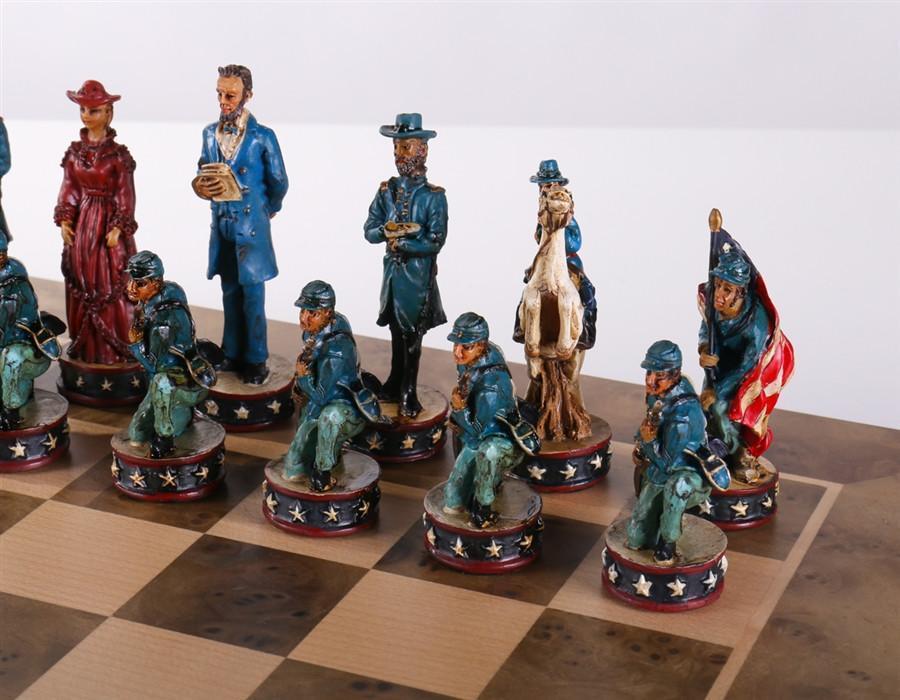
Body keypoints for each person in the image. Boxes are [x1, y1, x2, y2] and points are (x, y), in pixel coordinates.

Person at [194, 64, 289, 385]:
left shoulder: (263, 137)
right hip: (222, 225)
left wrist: (266, 210)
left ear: (247, 95)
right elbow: (202, 169)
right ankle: (232, 351)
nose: (223, 101)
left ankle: (256, 358)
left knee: (253, 296)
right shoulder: (209, 133)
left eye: (230, 95)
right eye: (220, 94)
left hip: (251, 228)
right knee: (229, 291)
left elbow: (279, 181)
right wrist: (203, 186)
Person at [364, 113, 448, 418]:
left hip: (417, 280)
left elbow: (436, 240)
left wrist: (405, 245)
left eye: (406, 147)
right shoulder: (386, 191)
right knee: (395, 331)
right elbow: (369, 230)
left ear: (422, 150)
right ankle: (394, 381)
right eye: (397, 148)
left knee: (412, 336)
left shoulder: (433, 197)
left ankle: (408, 391)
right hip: (393, 277)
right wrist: (385, 231)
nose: (400, 155)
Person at [54, 80, 138, 365]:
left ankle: (113, 348)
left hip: (106, 227)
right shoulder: (74, 153)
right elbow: (69, 188)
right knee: (82, 278)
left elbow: (125, 193)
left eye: (94, 110)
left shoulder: (118, 156)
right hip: (83, 226)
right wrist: (65, 219)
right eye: (83, 110)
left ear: (108, 113)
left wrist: (118, 227)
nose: (87, 116)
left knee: (110, 279)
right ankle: (85, 346)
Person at [698, 251, 793, 482]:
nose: (719, 294)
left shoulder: (756, 323)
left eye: (727, 289)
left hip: (751, 372)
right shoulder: (713, 304)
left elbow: (749, 365)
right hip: (721, 365)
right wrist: (704, 349)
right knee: (705, 408)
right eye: (718, 285)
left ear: (740, 292)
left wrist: (718, 392)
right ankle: (712, 446)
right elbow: (706, 328)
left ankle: (739, 453)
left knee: (723, 409)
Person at [284, 280, 381, 492]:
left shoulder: (337, 349)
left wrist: (303, 378)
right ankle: (314, 460)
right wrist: (300, 383)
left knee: (330, 417)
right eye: (303, 311)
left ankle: (323, 472)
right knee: (294, 462)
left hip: (344, 407)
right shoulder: (316, 330)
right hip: (321, 399)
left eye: (312, 313)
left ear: (328, 313)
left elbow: (321, 396)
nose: (304, 318)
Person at [444, 313, 536, 528]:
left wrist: (459, 409)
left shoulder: (491, 386)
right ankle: (481, 488)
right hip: (476, 433)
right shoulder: (471, 360)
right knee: (452, 499)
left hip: (498, 439)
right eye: (456, 344)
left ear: (481, 346)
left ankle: (483, 508)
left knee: (487, 453)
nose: (458, 352)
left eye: (466, 347)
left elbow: (478, 430)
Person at [628, 340, 711, 566]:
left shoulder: (683, 415)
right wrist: (640, 443)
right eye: (648, 372)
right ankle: (651, 531)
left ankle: (668, 543)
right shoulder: (657, 393)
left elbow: (667, 462)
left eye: (659, 375)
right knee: (635, 537)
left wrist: (647, 442)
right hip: (660, 466)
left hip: (686, 469)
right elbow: (650, 423)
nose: (650, 380)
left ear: (675, 375)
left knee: (676, 488)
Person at [125, 251, 215, 458]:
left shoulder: (163, 325)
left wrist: (136, 343)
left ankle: (164, 438)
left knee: (160, 382)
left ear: (156, 283)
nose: (131, 288)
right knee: (136, 433)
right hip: (168, 373)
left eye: (140, 283)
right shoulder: (169, 291)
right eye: (131, 280)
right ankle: (180, 415)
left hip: (180, 380)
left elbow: (155, 366)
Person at [0, 232, 63, 429]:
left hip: (18, 342)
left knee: (11, 357)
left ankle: (10, 410)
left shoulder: (17, 284)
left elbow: (28, 317)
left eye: (2, 253)